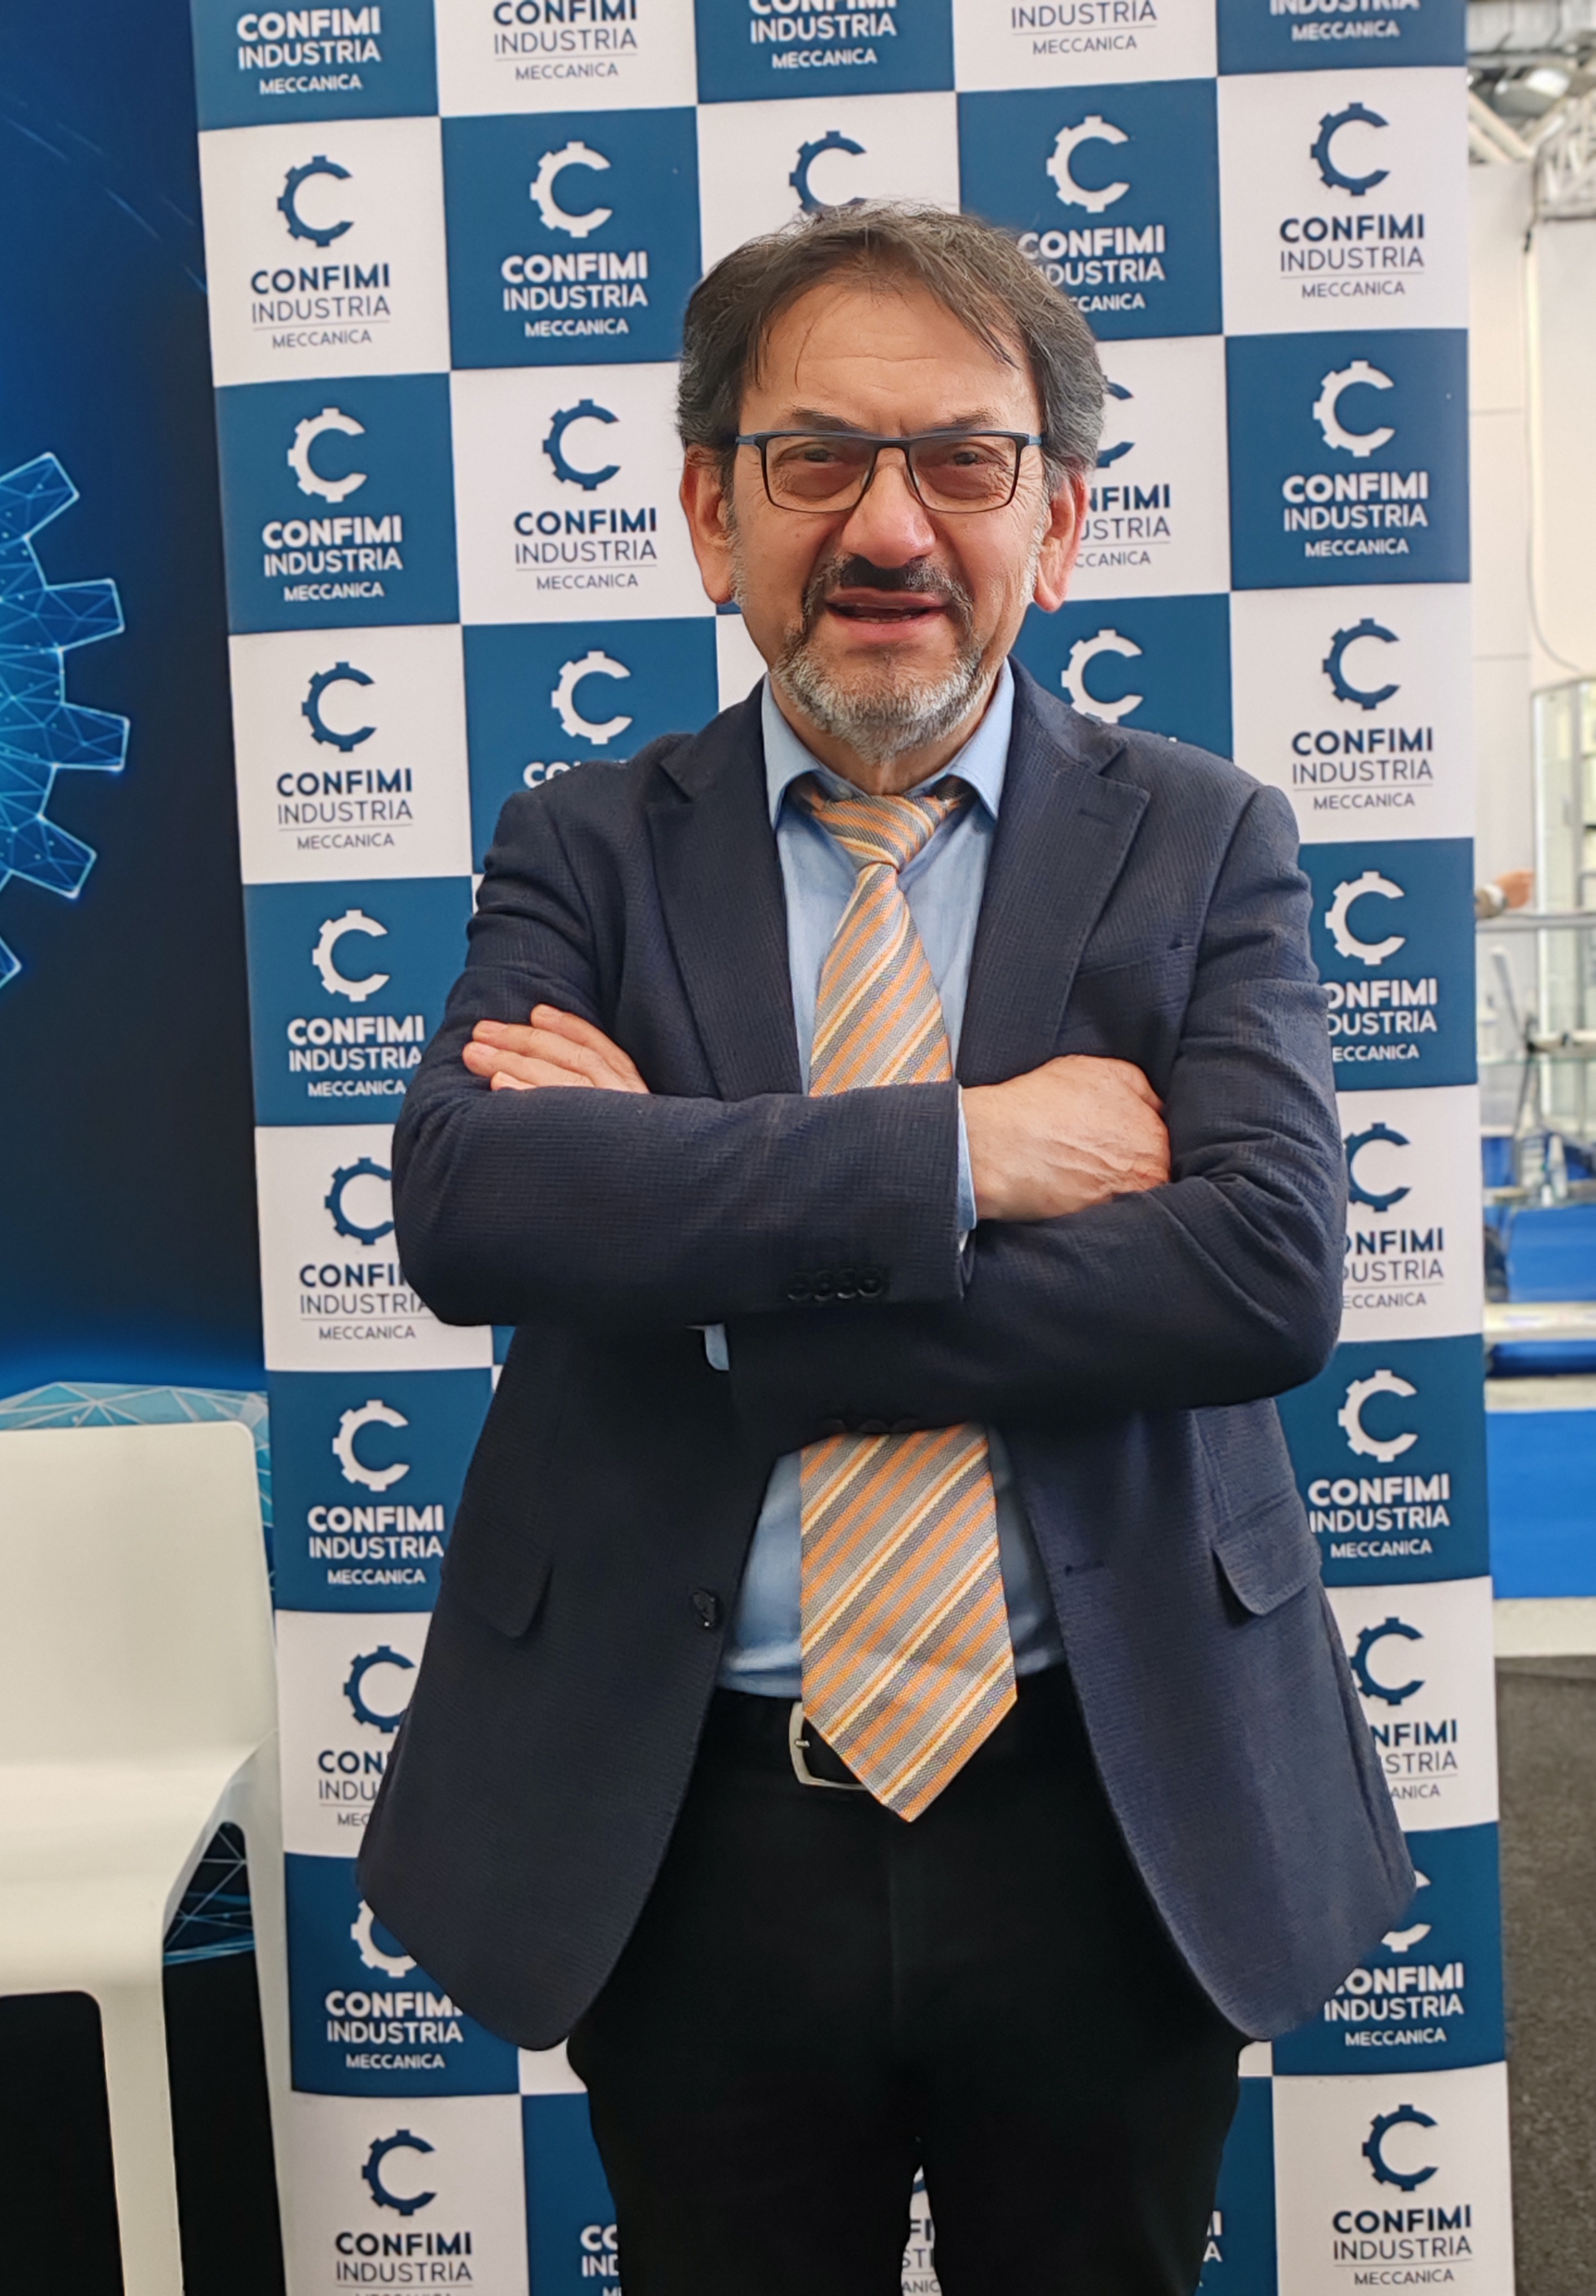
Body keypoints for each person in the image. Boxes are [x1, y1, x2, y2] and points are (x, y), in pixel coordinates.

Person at [360, 203, 1412, 2296]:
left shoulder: (1205, 837)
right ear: (710, 510)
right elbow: (474, 1207)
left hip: (1109, 1803)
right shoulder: (585, 843)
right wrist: (968, 1151)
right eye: (818, 458)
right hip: (693, 1818)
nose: (890, 527)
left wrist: (708, 1261)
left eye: (964, 461)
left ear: (1061, 519)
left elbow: (1259, 1273)